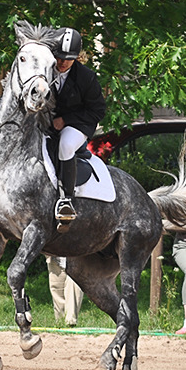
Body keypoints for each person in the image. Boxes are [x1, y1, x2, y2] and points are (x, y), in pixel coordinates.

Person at [50, 27, 107, 230]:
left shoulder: (86, 77)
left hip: (78, 124)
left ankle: (67, 199)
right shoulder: (45, 71)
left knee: (65, 145)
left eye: (68, 58)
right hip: (46, 123)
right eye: (59, 57)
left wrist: (66, 120)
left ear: (77, 57)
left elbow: (98, 110)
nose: (62, 62)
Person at [46, 256, 83, 326]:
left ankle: (70, 323)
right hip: (54, 259)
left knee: (73, 285)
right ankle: (60, 324)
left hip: (76, 258)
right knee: (57, 292)